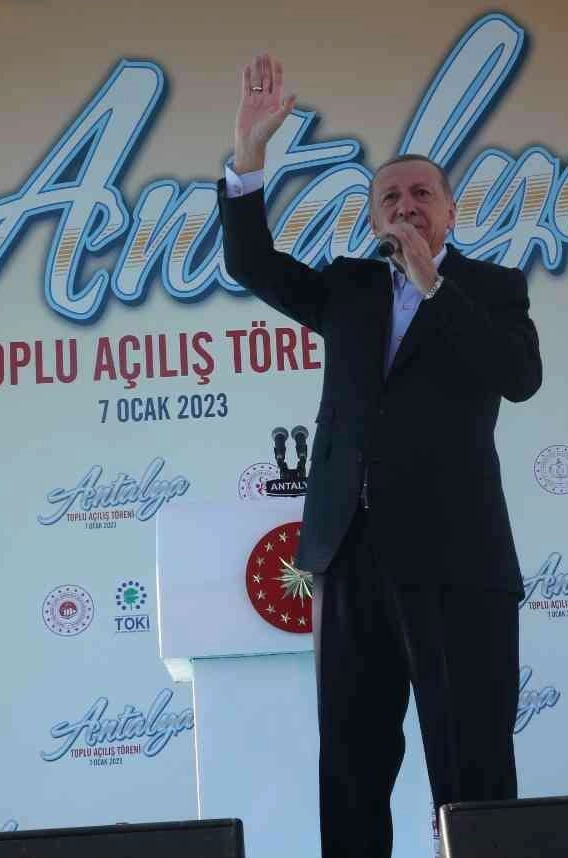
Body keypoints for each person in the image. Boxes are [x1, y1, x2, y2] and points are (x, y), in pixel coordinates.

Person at [216, 52, 543, 857]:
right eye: (390, 197)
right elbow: (251, 263)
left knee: (471, 765)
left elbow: (519, 377)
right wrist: (249, 154)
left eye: (421, 193)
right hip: (348, 553)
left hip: (455, 562)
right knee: (351, 767)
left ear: (451, 211)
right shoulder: (349, 289)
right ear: (373, 218)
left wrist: (435, 287)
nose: (406, 205)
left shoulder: (492, 289)